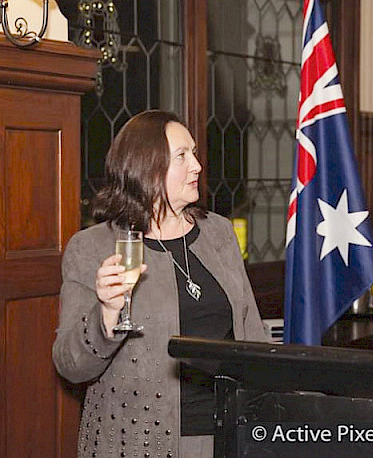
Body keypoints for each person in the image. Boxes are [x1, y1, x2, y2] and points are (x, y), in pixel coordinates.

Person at [53, 110, 267, 458]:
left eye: (194, 153)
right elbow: (71, 365)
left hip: (229, 434)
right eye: (182, 156)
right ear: (146, 167)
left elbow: (251, 334)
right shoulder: (93, 247)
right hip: (139, 443)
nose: (197, 165)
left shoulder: (219, 233)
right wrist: (107, 314)